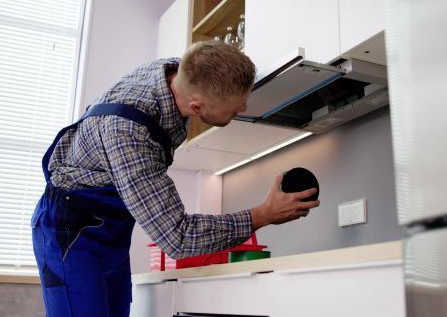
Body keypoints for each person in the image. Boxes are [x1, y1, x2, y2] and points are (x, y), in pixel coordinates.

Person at [31, 41, 321, 317]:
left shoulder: (173, 73)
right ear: (196, 107)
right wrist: (262, 215)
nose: (243, 109)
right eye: (235, 108)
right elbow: (178, 237)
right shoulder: (129, 133)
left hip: (108, 232)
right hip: (69, 233)